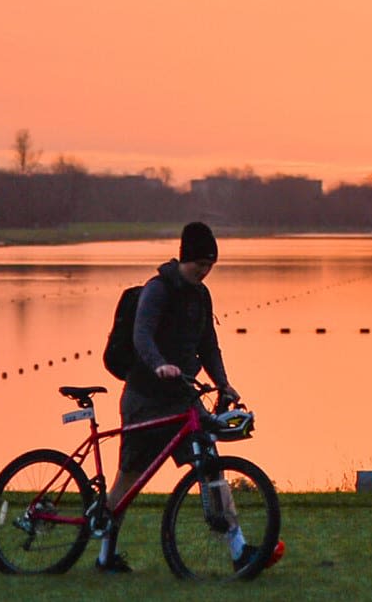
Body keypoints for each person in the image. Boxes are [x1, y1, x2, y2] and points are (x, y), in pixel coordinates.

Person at [99, 222, 239, 575]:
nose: (204, 272)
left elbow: (208, 345)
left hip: (182, 398)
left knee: (211, 464)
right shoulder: (157, 290)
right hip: (145, 397)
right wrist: (159, 365)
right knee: (129, 478)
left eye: (210, 266)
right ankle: (105, 554)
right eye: (199, 265)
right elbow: (141, 335)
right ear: (184, 258)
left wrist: (224, 384)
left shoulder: (201, 295)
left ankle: (240, 550)